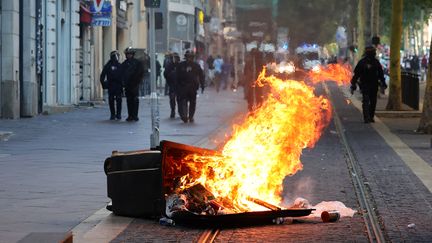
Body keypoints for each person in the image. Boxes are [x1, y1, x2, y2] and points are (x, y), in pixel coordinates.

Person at [350, 46, 387, 123]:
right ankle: (367, 117)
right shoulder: (366, 62)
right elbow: (356, 75)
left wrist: (383, 83)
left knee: (371, 101)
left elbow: (380, 74)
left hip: (371, 84)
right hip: (366, 84)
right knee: (368, 100)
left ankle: (369, 116)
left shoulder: (372, 62)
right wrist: (353, 84)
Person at [176, 51, 204, 123]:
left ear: (193, 57)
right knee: (183, 102)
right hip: (183, 87)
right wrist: (177, 86)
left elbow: (201, 75)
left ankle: (191, 116)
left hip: (192, 87)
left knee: (192, 103)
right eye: (188, 57)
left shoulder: (196, 66)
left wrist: (202, 85)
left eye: (191, 57)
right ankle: (184, 116)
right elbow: (176, 76)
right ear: (186, 57)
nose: (189, 58)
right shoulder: (181, 65)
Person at [121, 47, 145, 122]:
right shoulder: (124, 64)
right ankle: (130, 115)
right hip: (127, 85)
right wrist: (123, 83)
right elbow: (121, 74)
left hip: (135, 84)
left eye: (130, 54)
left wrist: (137, 81)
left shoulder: (137, 63)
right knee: (129, 100)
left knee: (135, 100)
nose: (129, 55)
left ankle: (135, 115)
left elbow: (141, 73)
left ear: (133, 54)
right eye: (127, 54)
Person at [100, 50, 122, 120]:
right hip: (111, 85)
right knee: (111, 99)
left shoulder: (120, 65)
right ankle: (112, 114)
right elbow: (102, 75)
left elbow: (124, 75)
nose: (116, 58)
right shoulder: (108, 65)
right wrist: (104, 84)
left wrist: (124, 84)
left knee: (119, 99)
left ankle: (118, 114)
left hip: (118, 85)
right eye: (115, 56)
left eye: (117, 56)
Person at [164, 52, 180, 118]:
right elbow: (165, 74)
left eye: (176, 57)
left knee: (180, 99)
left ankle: (180, 111)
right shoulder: (169, 65)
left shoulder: (180, 65)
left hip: (179, 85)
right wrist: (169, 80)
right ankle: (173, 110)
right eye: (174, 57)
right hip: (172, 84)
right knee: (172, 98)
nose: (175, 59)